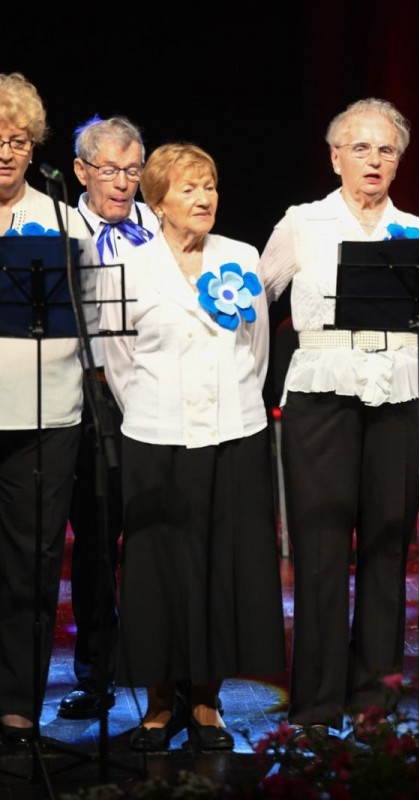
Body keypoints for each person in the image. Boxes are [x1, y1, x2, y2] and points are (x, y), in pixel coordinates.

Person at [258, 98, 419, 734]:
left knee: (388, 544)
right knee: (321, 546)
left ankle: (374, 701)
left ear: (399, 161)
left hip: (401, 391)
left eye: (386, 149)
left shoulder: (417, 229)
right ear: (335, 157)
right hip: (323, 392)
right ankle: (316, 701)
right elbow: (254, 300)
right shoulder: (302, 223)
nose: (374, 160)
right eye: (360, 148)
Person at [100, 143, 285, 751]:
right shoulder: (129, 266)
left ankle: (206, 703)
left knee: (224, 566)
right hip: (158, 436)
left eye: (210, 186)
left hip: (234, 434)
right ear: (157, 202)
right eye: (188, 188)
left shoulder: (241, 256)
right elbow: (119, 360)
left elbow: (256, 351)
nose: (204, 198)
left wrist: (235, 403)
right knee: (159, 570)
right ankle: (159, 705)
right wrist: (154, 409)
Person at [0, 72, 90, 746]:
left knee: (29, 566)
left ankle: (16, 704)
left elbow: (91, 315)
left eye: (18, 140)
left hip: (45, 414)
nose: (5, 152)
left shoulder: (63, 220)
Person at [60, 114, 160, 721]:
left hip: (152, 393)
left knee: (155, 535)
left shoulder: (159, 223)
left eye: (132, 170)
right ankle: (97, 674)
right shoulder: (61, 228)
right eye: (109, 170)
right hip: (88, 397)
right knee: (97, 539)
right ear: (81, 171)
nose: (122, 183)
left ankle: (162, 672)